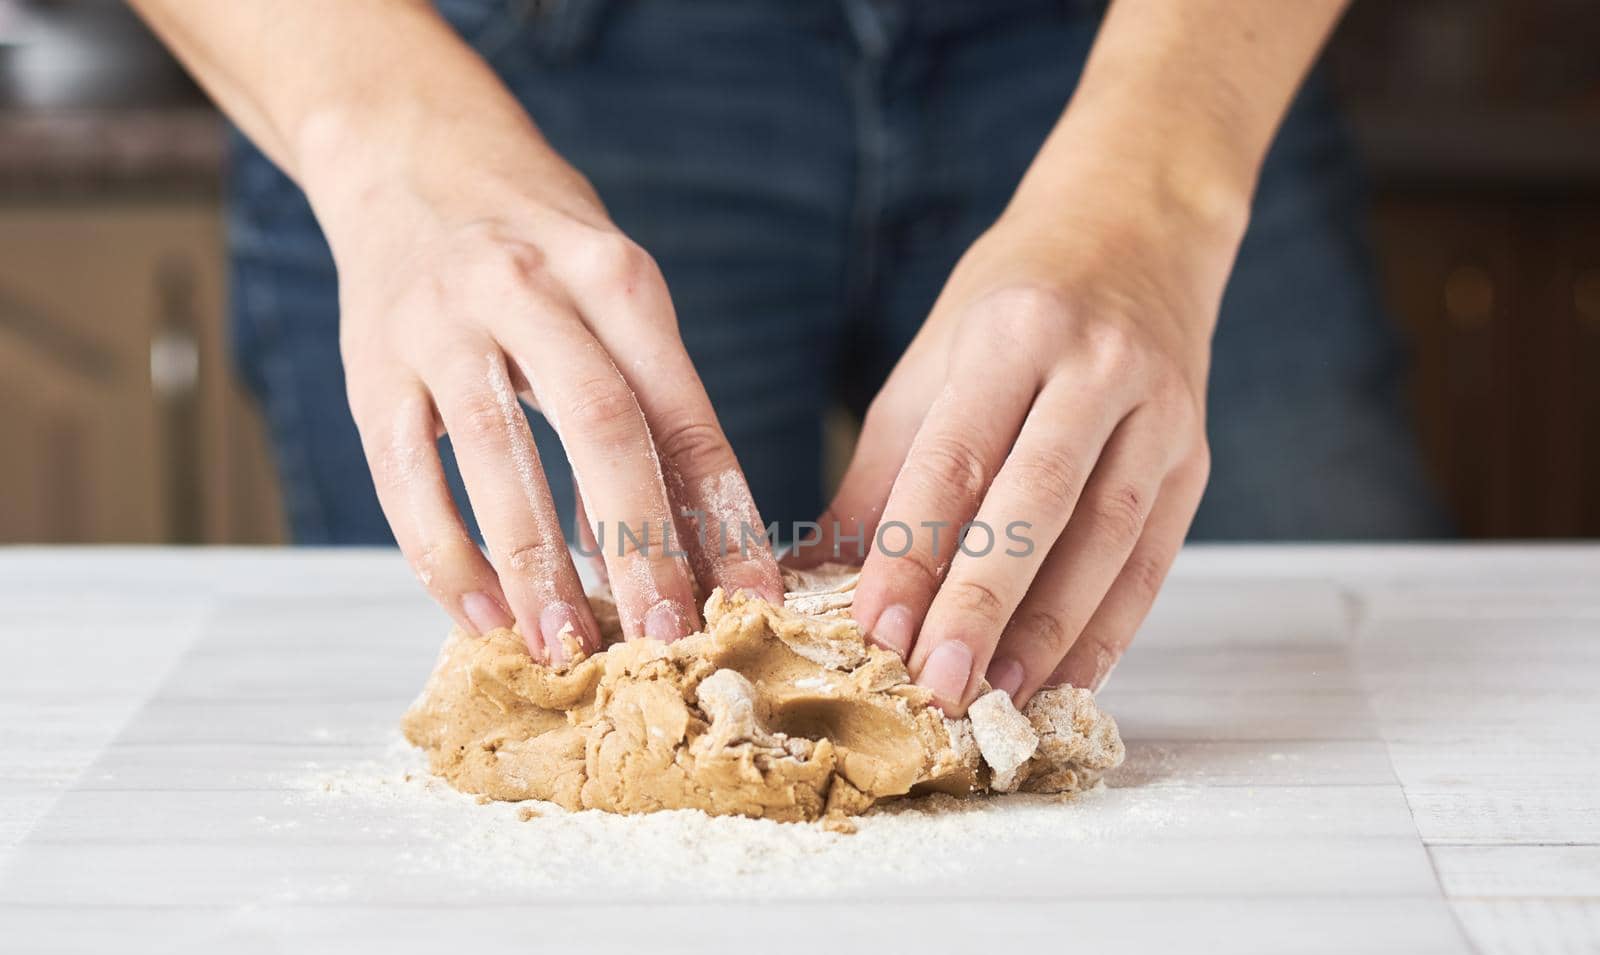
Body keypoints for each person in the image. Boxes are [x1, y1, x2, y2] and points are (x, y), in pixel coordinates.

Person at [131, 0, 1446, 712]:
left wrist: (1160, 189)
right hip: (475, 60)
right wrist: (379, 137)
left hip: (1148, 51)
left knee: (1367, 718)